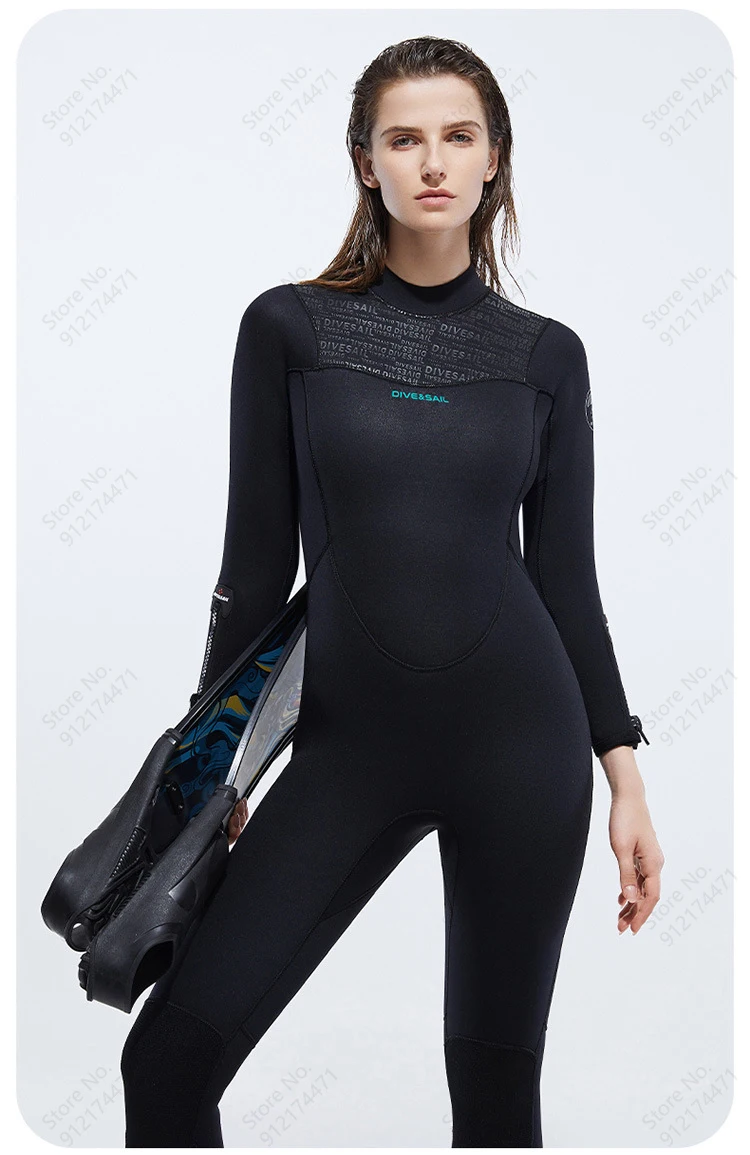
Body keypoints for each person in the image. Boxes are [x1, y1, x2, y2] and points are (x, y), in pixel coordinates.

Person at [120, 35, 664, 1148]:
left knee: (496, 1098)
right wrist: (213, 769)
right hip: (347, 750)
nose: (433, 161)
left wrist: (626, 779)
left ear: (495, 158)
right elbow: (252, 572)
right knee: (166, 1062)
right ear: (365, 162)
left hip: (523, 751)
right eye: (404, 138)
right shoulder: (289, 329)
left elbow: (568, 580)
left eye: (459, 137)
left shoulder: (546, 356)